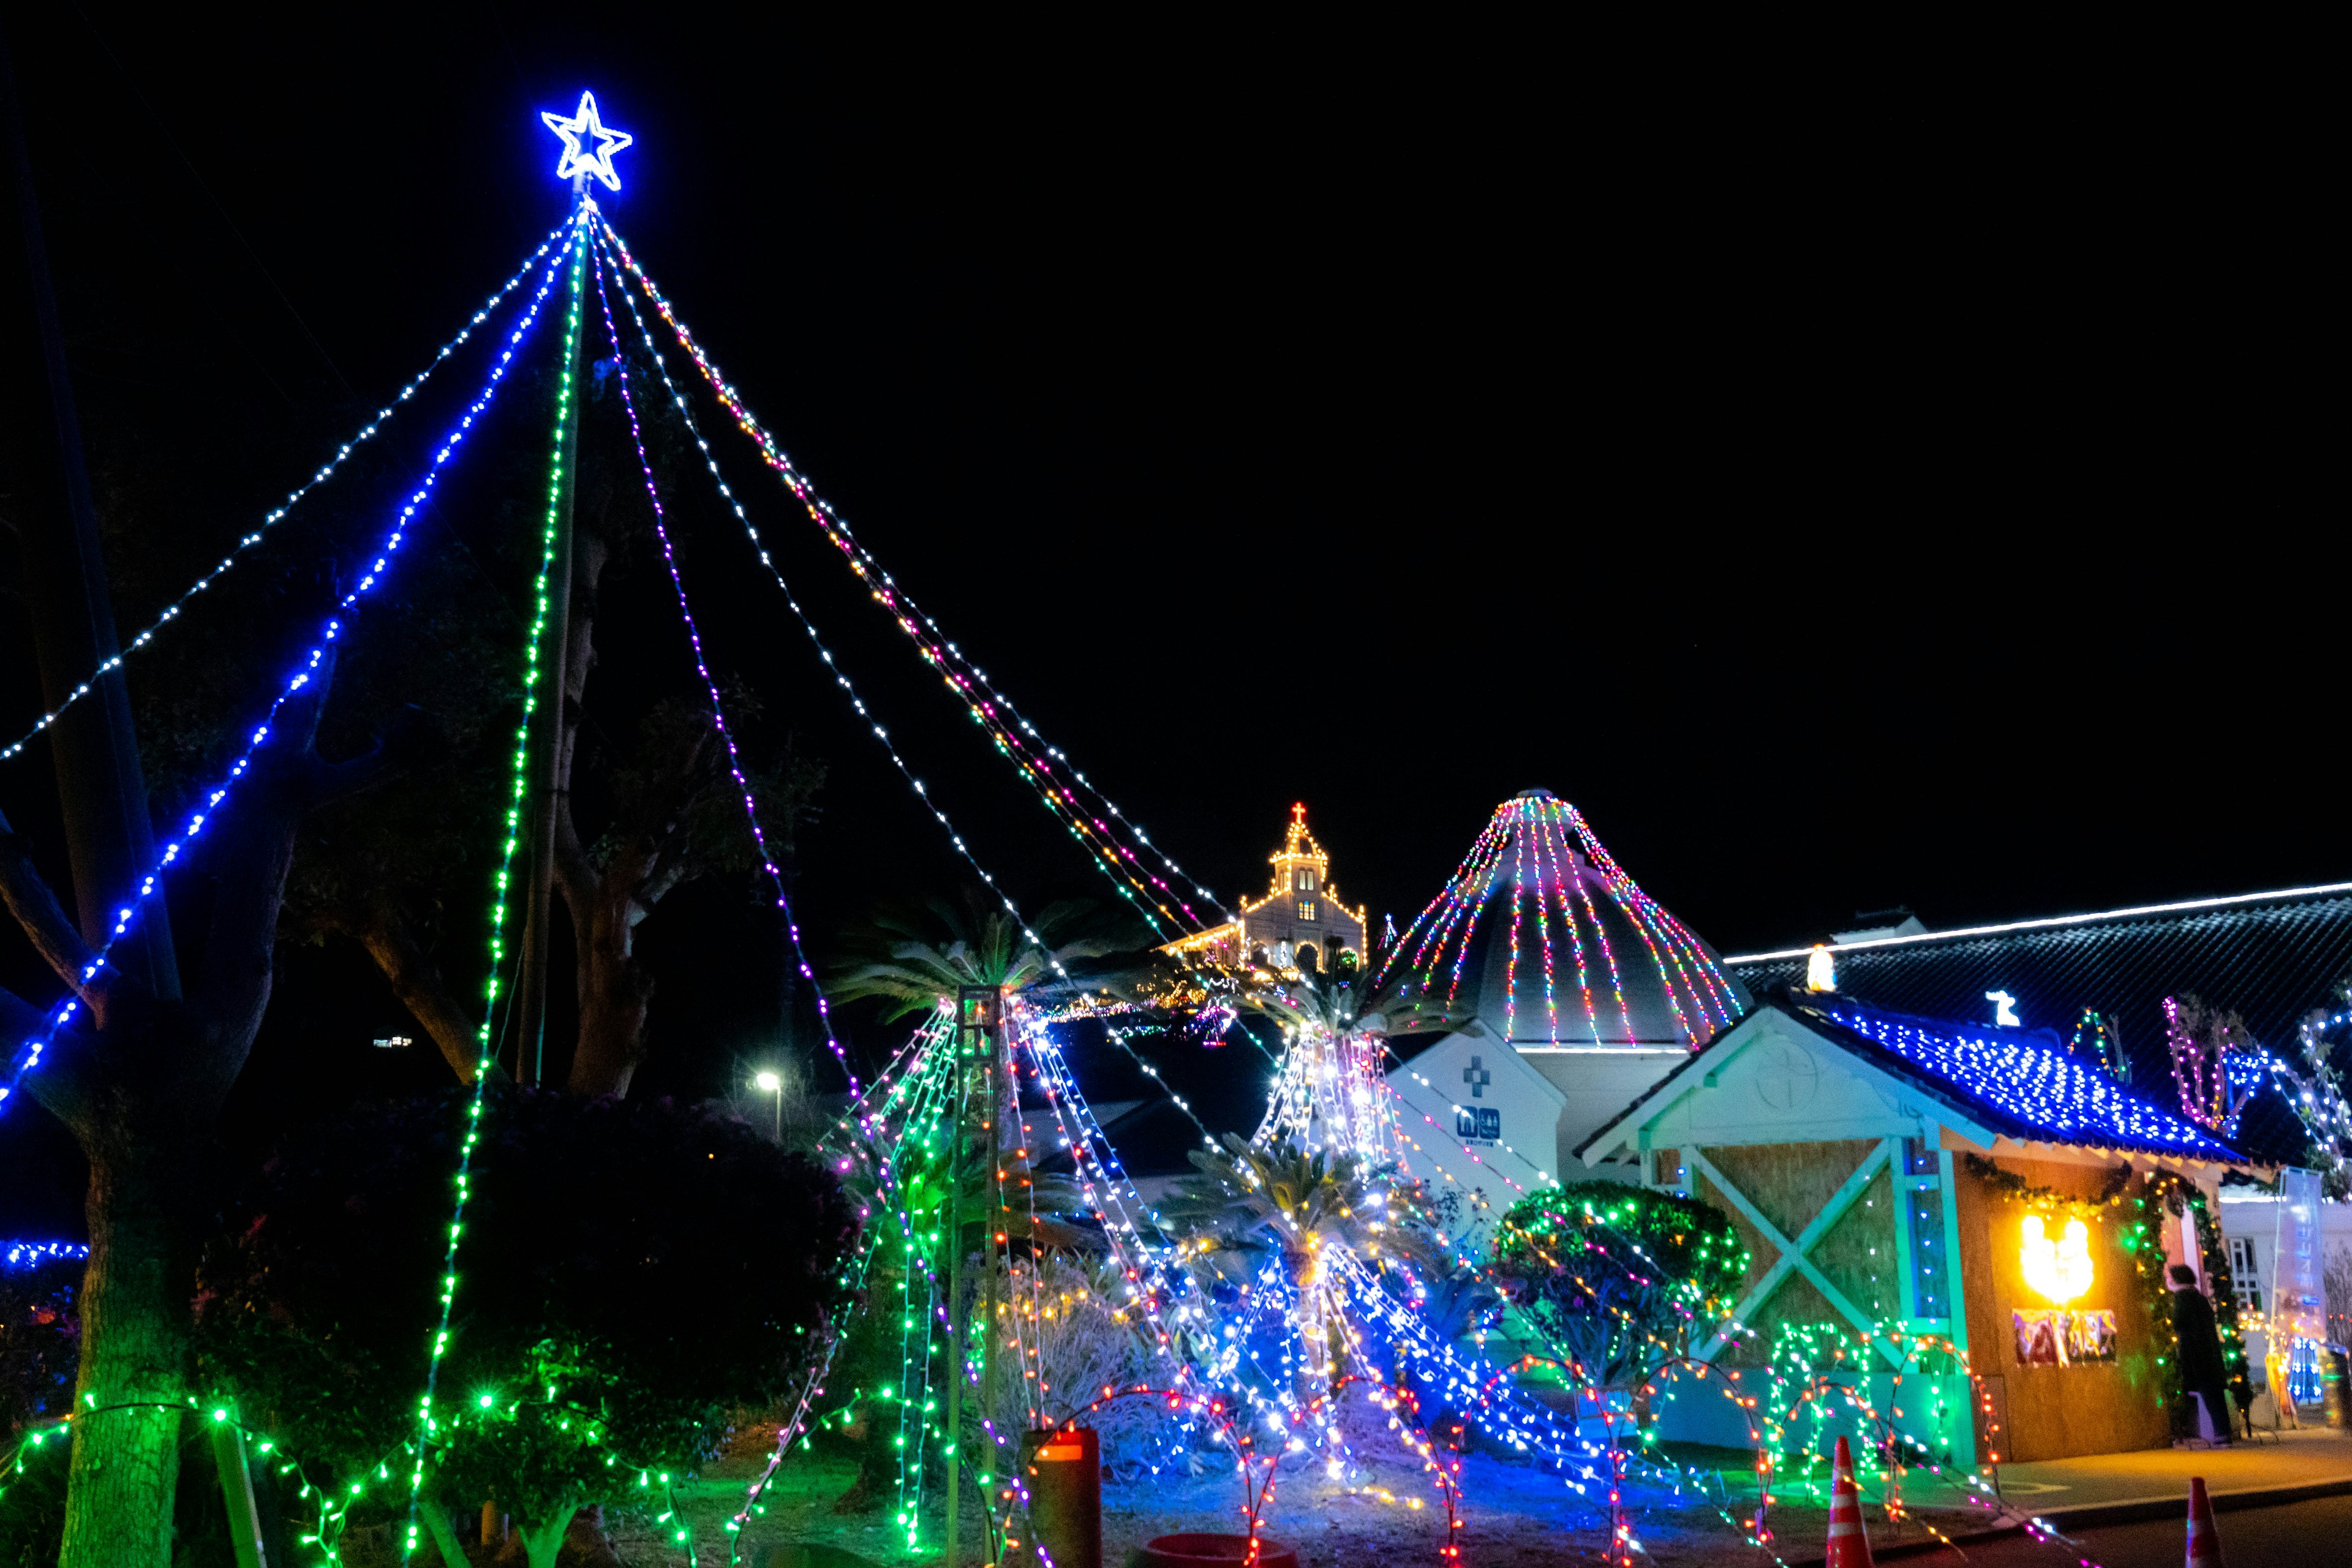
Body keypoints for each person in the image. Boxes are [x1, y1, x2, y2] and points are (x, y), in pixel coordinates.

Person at [2169, 1264, 2234, 1443]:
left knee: (2203, 1393)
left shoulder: (2182, 1298)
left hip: (2194, 1353)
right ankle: (2224, 1431)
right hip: (2209, 1351)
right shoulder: (2199, 1297)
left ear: (2177, 1280)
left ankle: (2196, 1434)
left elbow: (2178, 1322)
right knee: (2215, 1394)